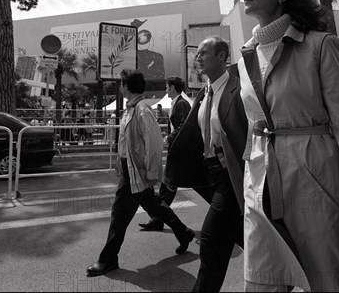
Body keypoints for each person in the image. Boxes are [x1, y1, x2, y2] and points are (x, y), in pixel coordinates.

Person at [237, 0, 339, 291]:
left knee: (332, 283)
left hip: (318, 185)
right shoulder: (245, 57)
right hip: (260, 189)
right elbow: (251, 128)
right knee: (261, 284)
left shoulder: (320, 45)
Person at [86, 69, 195, 277]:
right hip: (131, 170)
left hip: (137, 172)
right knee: (156, 206)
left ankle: (108, 259)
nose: (120, 87)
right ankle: (184, 232)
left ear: (126, 86)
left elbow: (153, 145)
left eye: (121, 84)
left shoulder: (142, 110)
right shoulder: (131, 109)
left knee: (119, 215)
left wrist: (152, 172)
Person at [164, 37, 247, 292]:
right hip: (208, 174)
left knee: (211, 241)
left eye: (203, 53)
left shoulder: (240, 88)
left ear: (222, 57)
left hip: (232, 175)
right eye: (196, 53)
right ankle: (288, 270)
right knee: (244, 233)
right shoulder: (203, 93)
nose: (197, 57)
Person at [139, 76, 192, 232]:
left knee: (170, 184)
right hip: (177, 151)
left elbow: (184, 125)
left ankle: (224, 212)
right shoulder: (178, 103)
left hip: (181, 152)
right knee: (167, 186)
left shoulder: (182, 103)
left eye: (167, 87)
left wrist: (169, 138)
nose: (166, 90)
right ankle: (158, 219)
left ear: (173, 88)